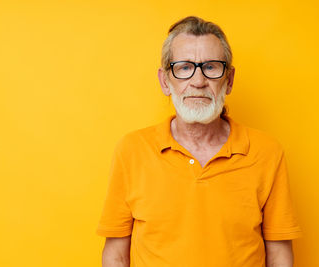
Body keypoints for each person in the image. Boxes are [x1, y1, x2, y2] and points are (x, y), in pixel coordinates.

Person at [96, 16, 303, 267]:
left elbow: (279, 254)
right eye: (184, 68)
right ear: (165, 81)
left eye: (211, 67)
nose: (198, 81)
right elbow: (116, 255)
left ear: (229, 80)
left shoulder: (267, 152)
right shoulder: (132, 150)